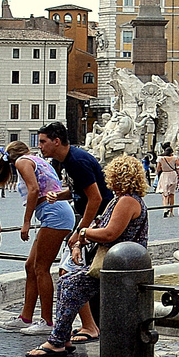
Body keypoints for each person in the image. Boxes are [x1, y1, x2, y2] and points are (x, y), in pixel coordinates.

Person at [27, 155, 149, 357]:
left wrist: (82, 234)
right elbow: (99, 225)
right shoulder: (121, 200)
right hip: (114, 261)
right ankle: (62, 337)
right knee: (67, 280)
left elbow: (110, 233)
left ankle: (58, 340)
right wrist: (79, 242)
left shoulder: (127, 201)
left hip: (120, 265)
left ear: (117, 177)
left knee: (71, 284)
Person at [0, 140, 73, 334]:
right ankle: (25, 317)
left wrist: (26, 221)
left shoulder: (22, 161)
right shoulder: (36, 159)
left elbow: (34, 189)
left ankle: (47, 321)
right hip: (55, 213)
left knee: (41, 269)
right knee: (30, 265)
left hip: (54, 215)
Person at [36, 122, 110, 344]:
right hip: (93, 222)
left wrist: (80, 232)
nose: (40, 147)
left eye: (42, 142)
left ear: (56, 141)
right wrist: (60, 196)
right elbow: (82, 190)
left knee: (70, 272)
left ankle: (89, 326)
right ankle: (89, 325)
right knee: (71, 272)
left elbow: (95, 198)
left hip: (96, 222)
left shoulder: (76, 161)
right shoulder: (71, 159)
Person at [154, 144, 179, 217]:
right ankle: (171, 211)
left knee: (165, 194)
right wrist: (176, 168)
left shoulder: (160, 158)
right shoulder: (174, 158)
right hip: (172, 175)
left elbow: (158, 169)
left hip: (164, 175)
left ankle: (165, 209)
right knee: (172, 194)